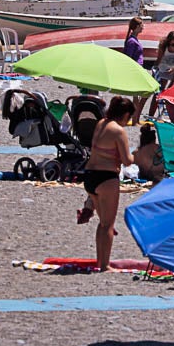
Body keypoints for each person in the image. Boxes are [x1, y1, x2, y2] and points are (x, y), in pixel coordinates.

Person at [78, 96, 134, 271]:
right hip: (106, 177)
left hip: (90, 176)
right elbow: (127, 160)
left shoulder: (101, 123)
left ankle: (100, 261)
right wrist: (138, 155)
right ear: (125, 114)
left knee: (103, 224)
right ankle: (105, 265)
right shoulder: (118, 131)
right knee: (108, 224)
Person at [121, 18, 146, 123]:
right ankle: (135, 119)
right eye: (141, 25)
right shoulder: (132, 41)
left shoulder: (134, 39)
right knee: (137, 95)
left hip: (138, 69)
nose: (143, 27)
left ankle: (136, 118)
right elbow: (128, 57)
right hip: (135, 69)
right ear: (136, 27)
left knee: (138, 95)